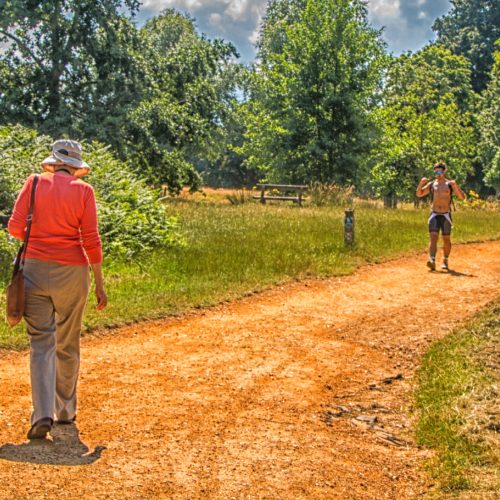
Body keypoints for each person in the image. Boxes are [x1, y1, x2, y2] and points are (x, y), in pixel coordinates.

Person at [8, 139, 107, 440]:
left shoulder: (34, 183)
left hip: (34, 270)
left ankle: (42, 414)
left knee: (41, 343)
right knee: (67, 341)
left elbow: (14, 228)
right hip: (73, 272)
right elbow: (91, 239)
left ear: (53, 162)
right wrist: (99, 283)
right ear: (76, 167)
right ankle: (64, 411)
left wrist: (39, 235)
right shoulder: (84, 191)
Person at [416, 161, 465, 271]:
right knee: (433, 238)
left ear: (444, 171)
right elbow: (419, 194)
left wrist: (455, 186)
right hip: (434, 214)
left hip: (446, 215)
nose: (438, 173)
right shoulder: (432, 184)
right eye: (436, 171)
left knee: (446, 239)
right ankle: (432, 260)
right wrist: (421, 183)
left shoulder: (449, 184)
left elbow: (462, 197)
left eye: (440, 171)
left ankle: (445, 260)